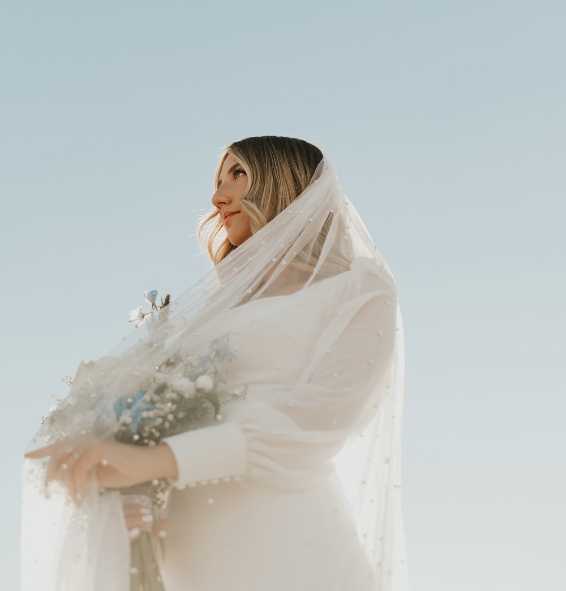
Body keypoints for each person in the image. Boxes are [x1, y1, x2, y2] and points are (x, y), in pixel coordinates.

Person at [22, 136, 408, 591]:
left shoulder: (357, 288)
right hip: (184, 545)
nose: (217, 196)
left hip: (281, 533)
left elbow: (318, 423)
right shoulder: (213, 311)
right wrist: (135, 490)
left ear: (286, 183)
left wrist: (153, 461)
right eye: (218, 179)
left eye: (238, 175)